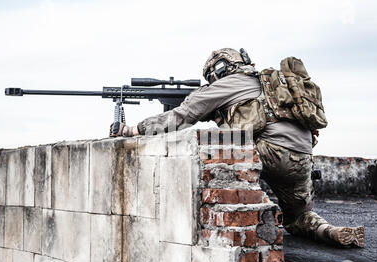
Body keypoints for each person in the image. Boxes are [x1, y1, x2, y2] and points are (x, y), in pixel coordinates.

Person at [110, 48, 364, 248]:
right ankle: (328, 231)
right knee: (298, 218)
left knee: (207, 145)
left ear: (218, 71)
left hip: (266, 153)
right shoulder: (272, 84)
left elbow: (181, 116)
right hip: (302, 160)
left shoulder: (226, 84)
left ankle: (225, 222)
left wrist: (134, 130)